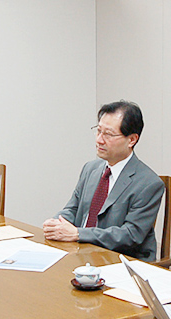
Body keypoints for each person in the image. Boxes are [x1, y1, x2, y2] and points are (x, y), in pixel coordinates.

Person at [43, 100, 164, 260]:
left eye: (108, 134)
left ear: (132, 140)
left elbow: (130, 235)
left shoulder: (149, 183)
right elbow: (73, 208)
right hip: (82, 254)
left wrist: (79, 234)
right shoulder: (90, 169)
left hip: (120, 261)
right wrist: (57, 223)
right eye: (98, 131)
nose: (99, 140)